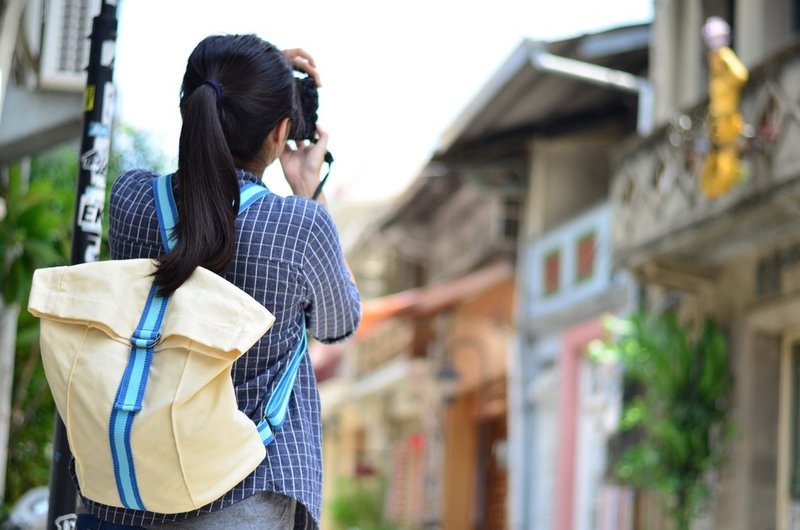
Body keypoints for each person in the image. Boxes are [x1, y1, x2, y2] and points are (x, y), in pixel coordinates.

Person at [77, 34, 361, 530]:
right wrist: (308, 190)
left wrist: (249, 76)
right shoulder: (299, 226)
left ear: (190, 108)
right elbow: (339, 323)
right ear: (281, 132)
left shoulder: (132, 200)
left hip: (123, 494)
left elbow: (210, 122)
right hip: (243, 500)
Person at [699, 16, 749, 199]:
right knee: (713, 155)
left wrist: (725, 60)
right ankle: (714, 190)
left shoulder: (725, 56)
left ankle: (727, 183)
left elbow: (740, 75)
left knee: (726, 155)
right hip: (717, 117)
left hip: (728, 117)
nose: (712, 42)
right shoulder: (715, 62)